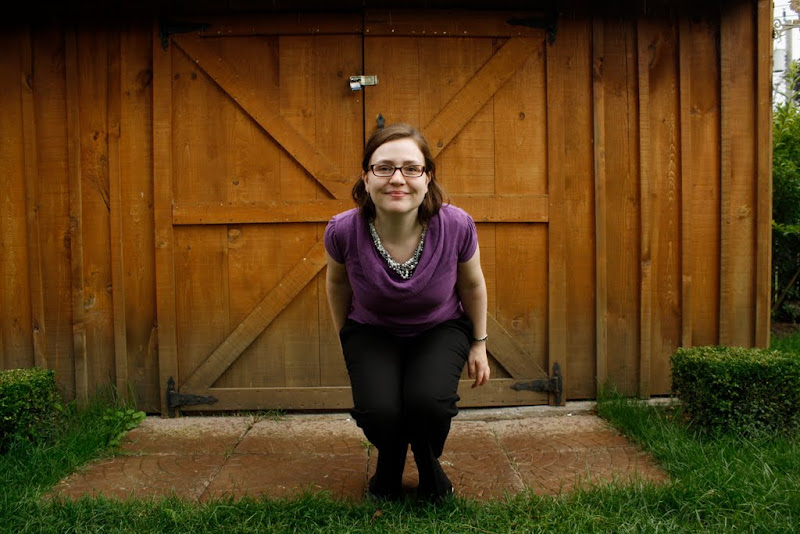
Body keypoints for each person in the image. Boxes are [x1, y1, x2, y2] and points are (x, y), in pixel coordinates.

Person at [324, 123, 490, 503]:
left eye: (411, 168)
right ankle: (391, 461)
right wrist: (346, 337)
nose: (397, 179)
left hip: (440, 327)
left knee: (428, 402)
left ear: (427, 177)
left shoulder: (456, 225)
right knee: (379, 410)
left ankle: (429, 466)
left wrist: (479, 343)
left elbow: (472, 285)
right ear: (366, 178)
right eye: (384, 168)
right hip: (372, 329)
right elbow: (337, 284)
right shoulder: (343, 230)